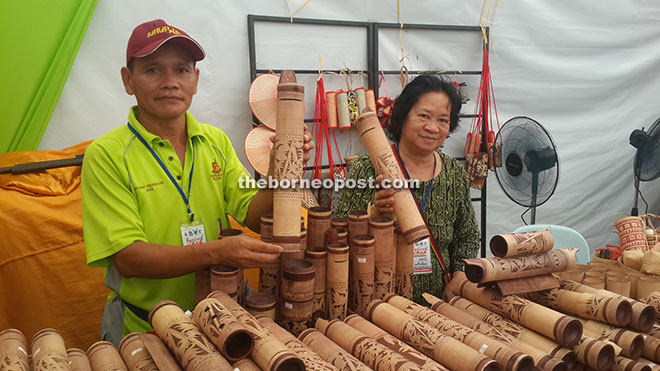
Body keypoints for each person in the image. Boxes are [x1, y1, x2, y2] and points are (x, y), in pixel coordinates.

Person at [81, 19, 313, 345]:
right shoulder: (107, 154)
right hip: (143, 327)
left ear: (195, 80)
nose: (170, 82)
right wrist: (218, 252)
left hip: (221, 317)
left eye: (181, 70)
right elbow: (128, 258)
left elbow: (254, 216)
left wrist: (280, 172)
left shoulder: (214, 141)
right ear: (127, 79)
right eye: (152, 70)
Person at [334, 73, 480, 304]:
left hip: (440, 301)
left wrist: (460, 276)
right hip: (378, 302)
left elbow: (467, 236)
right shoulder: (368, 168)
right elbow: (338, 232)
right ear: (403, 117)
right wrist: (375, 215)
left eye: (443, 120)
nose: (433, 127)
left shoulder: (454, 173)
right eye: (424, 116)